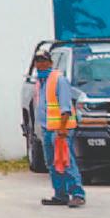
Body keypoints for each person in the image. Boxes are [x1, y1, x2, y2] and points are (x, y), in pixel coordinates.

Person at [35, 49, 86, 208]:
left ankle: (77, 194)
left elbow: (66, 108)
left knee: (66, 161)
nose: (40, 64)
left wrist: (62, 129)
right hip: (47, 128)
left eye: (43, 60)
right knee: (52, 163)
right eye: (38, 61)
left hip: (60, 129)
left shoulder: (59, 80)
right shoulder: (40, 81)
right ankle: (60, 195)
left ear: (50, 63)